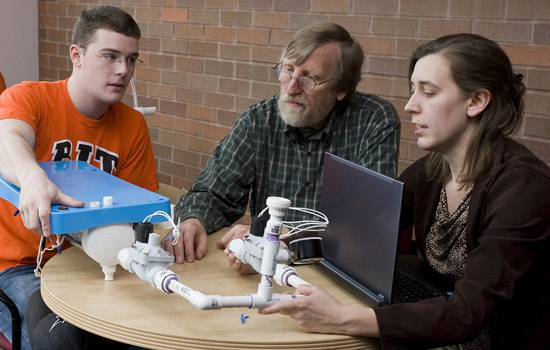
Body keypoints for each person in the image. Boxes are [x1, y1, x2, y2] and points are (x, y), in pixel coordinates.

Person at [258, 33, 550, 349]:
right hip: (434, 333)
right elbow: (362, 231)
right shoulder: (431, 170)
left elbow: (468, 312)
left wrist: (342, 317)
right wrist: (275, 244)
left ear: (476, 101)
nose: (410, 106)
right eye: (413, 91)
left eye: (429, 92)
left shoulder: (525, 188)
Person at [162, 22, 401, 265]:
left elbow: (370, 221)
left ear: (342, 88)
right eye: (288, 69)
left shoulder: (373, 120)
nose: (291, 87)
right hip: (263, 269)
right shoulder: (259, 121)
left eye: (309, 78)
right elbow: (212, 194)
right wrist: (194, 219)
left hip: (336, 271)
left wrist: (285, 239)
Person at [0, 6, 158, 350]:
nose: (122, 70)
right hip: (19, 266)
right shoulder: (30, 97)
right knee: (60, 340)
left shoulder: (132, 124)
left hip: (94, 261)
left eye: (131, 60)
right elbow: (6, 139)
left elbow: (138, 213)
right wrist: (32, 178)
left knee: (136, 335)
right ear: (77, 55)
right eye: (110, 56)